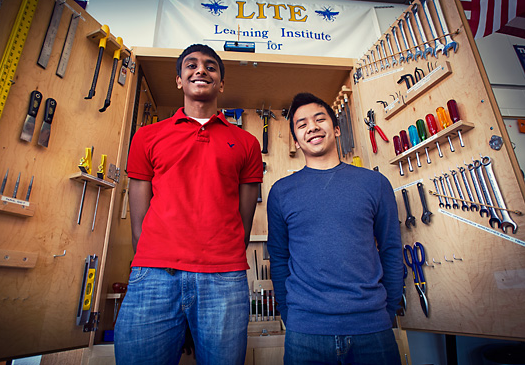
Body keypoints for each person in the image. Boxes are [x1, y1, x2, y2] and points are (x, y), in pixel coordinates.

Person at [114, 44, 263, 365]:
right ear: (179, 80)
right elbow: (138, 217)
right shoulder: (147, 136)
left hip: (223, 278)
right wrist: (151, 257)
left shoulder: (248, 143)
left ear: (221, 83)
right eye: (191, 65)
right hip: (153, 275)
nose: (201, 70)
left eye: (211, 67)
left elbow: (244, 220)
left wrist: (221, 253)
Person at [267, 92, 403, 365]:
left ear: (337, 128)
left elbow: (390, 248)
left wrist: (387, 310)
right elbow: (279, 258)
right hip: (306, 331)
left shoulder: (375, 183)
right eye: (302, 124)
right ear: (296, 140)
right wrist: (289, 313)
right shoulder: (281, 192)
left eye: (320, 119)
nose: (312, 127)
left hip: (372, 326)